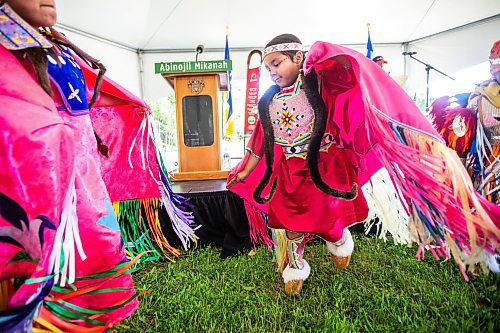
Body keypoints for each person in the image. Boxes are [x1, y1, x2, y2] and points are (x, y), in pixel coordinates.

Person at [228, 33, 499, 295]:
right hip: (289, 171)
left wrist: (324, 57)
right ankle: (296, 266)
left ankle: (339, 241)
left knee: (327, 221)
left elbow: (348, 73)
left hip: (322, 168)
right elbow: (260, 142)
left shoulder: (320, 84)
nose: (272, 72)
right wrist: (246, 170)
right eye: (268, 68)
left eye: (277, 64)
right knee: (290, 222)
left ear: (298, 58)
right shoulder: (269, 101)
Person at [0, 1, 138, 331]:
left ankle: (86, 320)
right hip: (45, 179)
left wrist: (129, 103)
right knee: (54, 262)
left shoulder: (52, 41)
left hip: (83, 172)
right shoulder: (8, 45)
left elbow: (81, 93)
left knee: (100, 246)